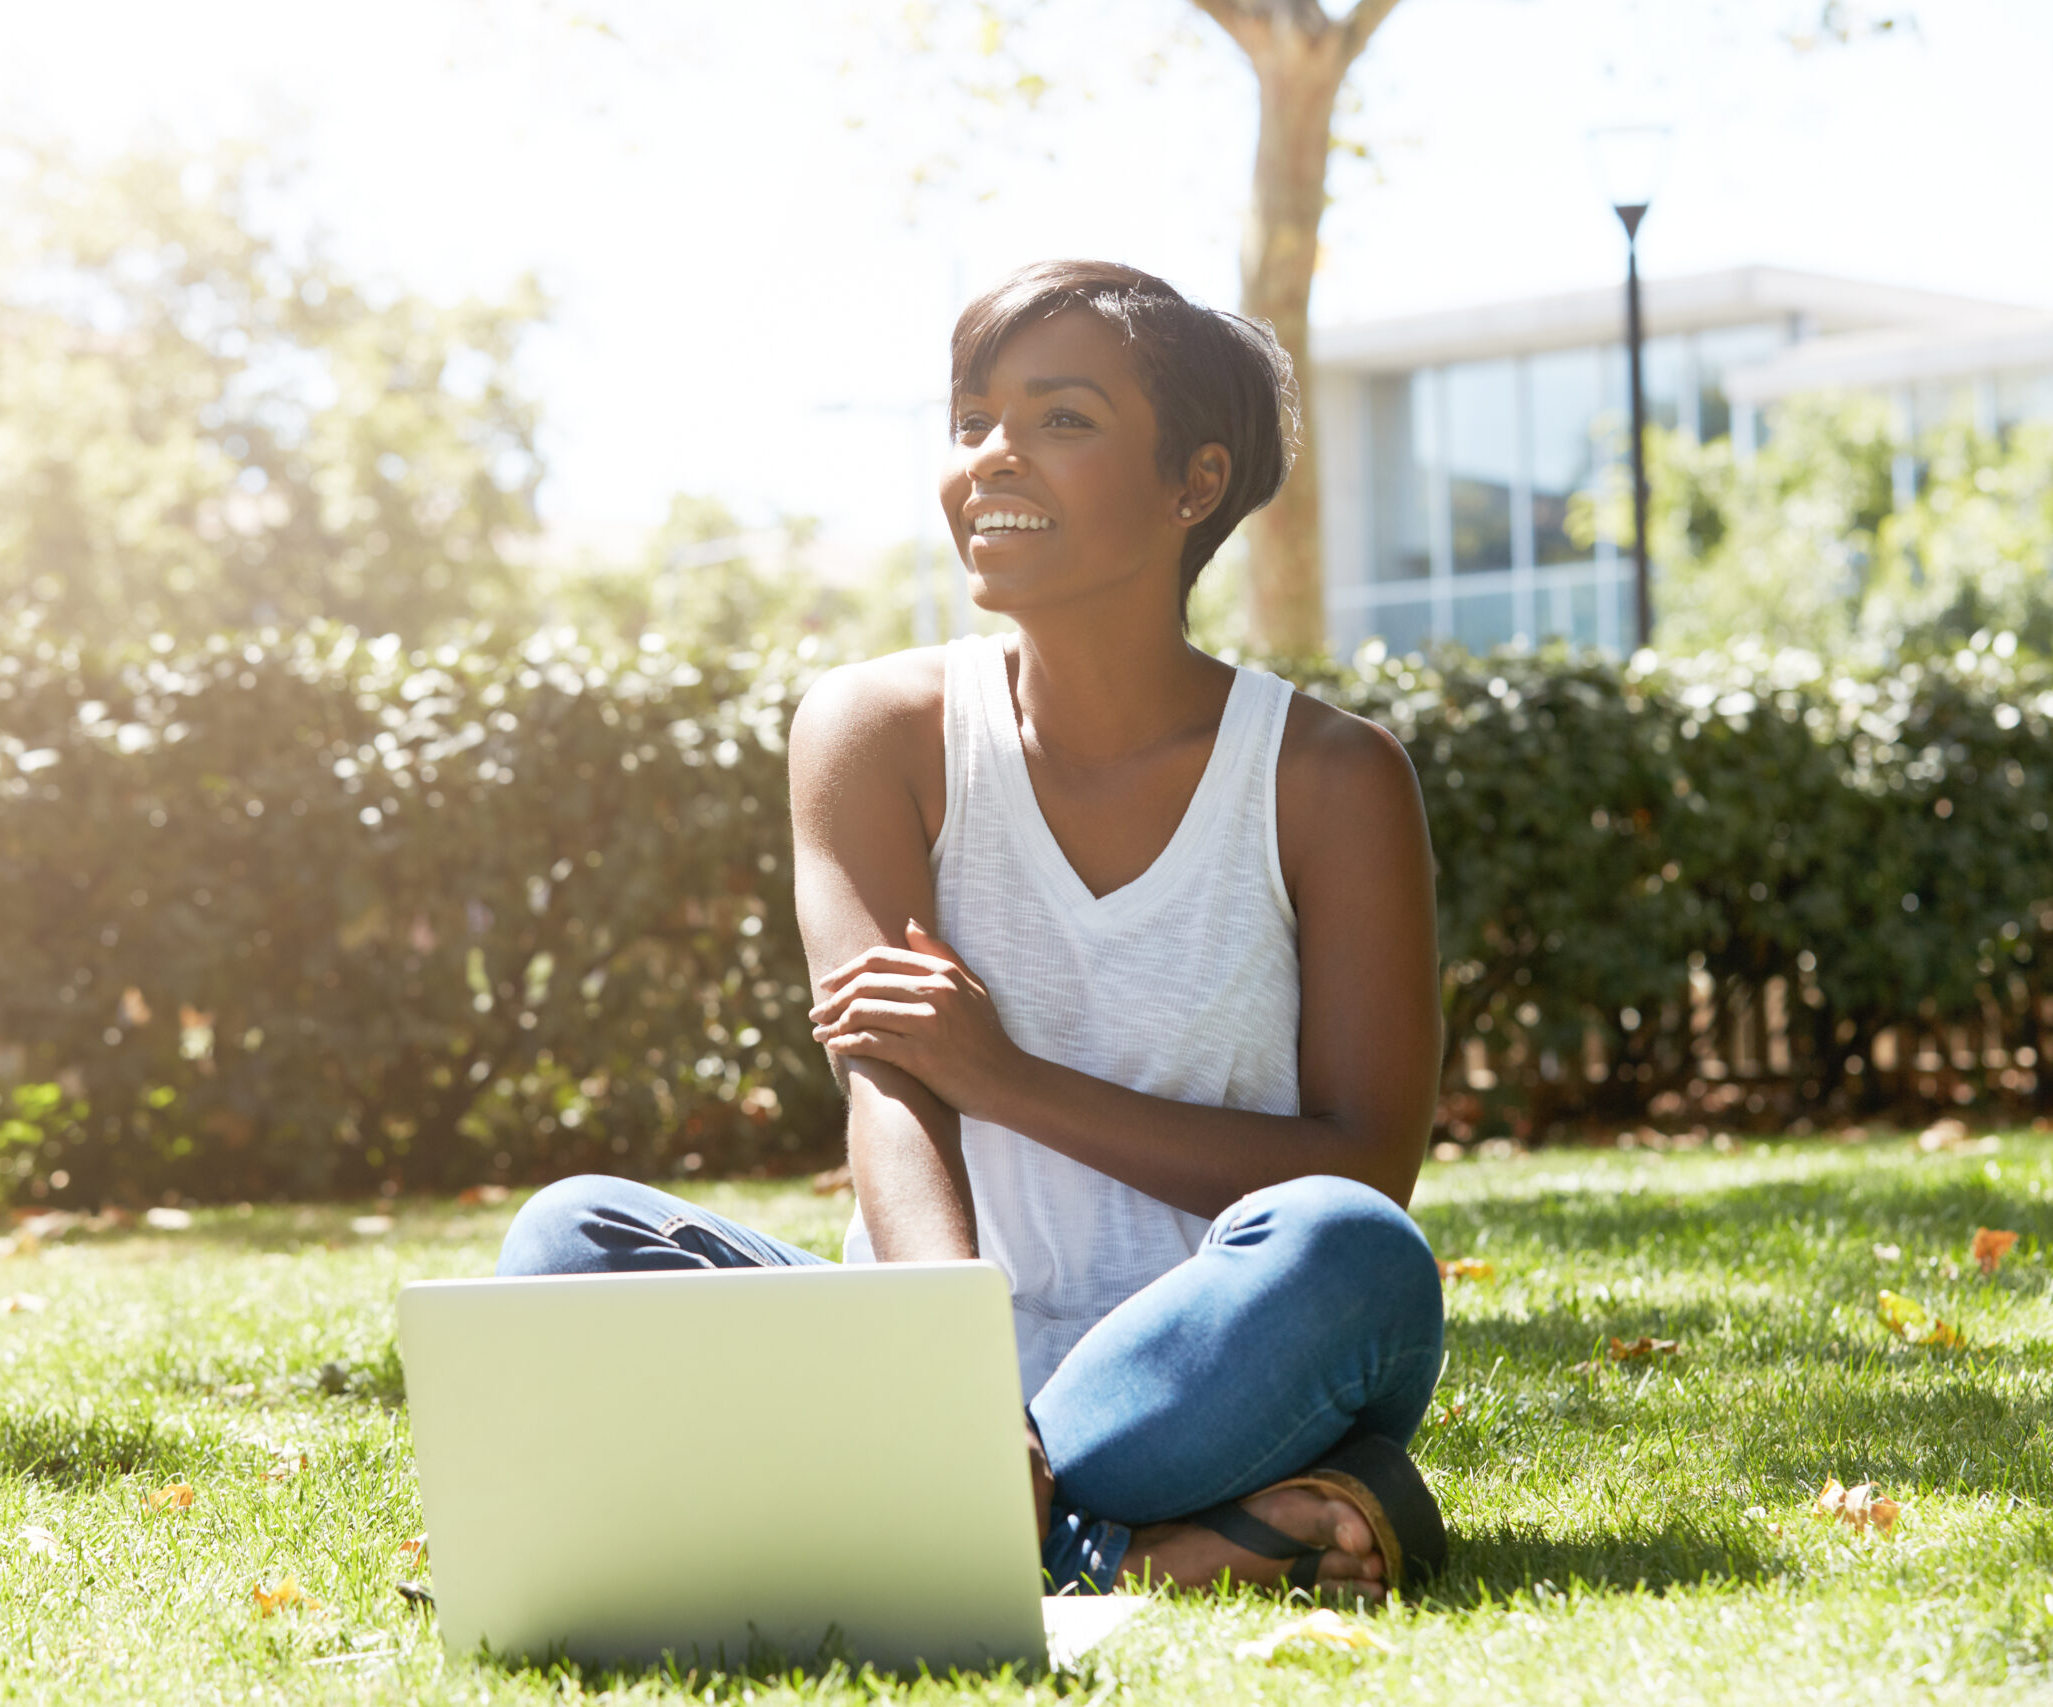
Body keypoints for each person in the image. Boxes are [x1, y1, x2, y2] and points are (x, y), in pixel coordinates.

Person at [497, 259, 1447, 1600]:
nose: (994, 456)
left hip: (1207, 1362)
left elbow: (1363, 1164)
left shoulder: (1329, 779)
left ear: (1195, 482)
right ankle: (1123, 1556)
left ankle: (873, 1525)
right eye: (973, 420)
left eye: (1061, 419)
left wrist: (1009, 1081)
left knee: (1354, 1258)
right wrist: (948, 1383)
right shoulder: (871, 732)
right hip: (915, 1342)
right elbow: (887, 1079)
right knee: (572, 1236)